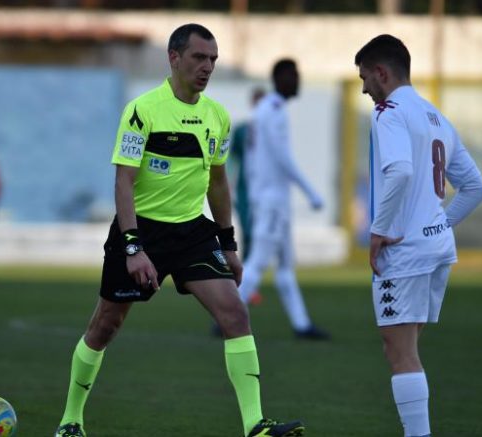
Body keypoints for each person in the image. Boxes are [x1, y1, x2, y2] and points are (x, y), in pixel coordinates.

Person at [53, 24, 305, 437]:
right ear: (173, 58)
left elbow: (218, 183)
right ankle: (70, 420)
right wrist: (133, 248)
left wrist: (228, 244)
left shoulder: (218, 117)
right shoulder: (143, 110)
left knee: (235, 313)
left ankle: (255, 426)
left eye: (213, 60)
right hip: (142, 232)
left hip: (192, 233)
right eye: (199, 57)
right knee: (105, 326)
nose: (207, 67)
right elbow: (123, 182)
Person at [355, 34, 482, 436]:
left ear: (381, 73)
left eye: (364, 78)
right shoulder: (436, 116)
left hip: (405, 251)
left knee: (400, 352)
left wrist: (379, 230)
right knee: (404, 347)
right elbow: (475, 188)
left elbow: (400, 171)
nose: (364, 89)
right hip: (436, 248)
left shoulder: (389, 112)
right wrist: (439, 225)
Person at [237, 59, 329, 340]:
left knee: (285, 267)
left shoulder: (264, 111)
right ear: (280, 78)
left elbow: (253, 160)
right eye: (294, 75)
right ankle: (228, 314)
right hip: (272, 201)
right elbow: (283, 158)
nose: (298, 80)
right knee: (258, 262)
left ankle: (302, 325)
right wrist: (311, 192)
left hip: (271, 198)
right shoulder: (273, 111)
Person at [229, 87, 265, 305]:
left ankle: (249, 284)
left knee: (258, 236)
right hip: (244, 190)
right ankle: (244, 283)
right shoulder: (242, 130)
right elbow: (232, 160)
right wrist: (230, 185)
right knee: (248, 233)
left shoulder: (269, 130)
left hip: (264, 192)